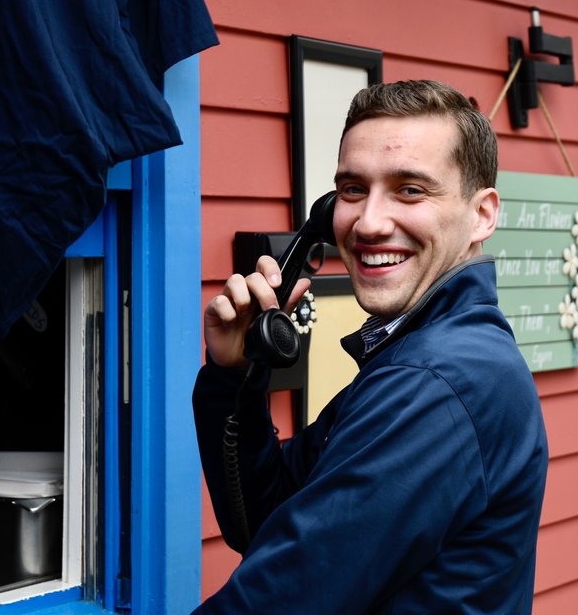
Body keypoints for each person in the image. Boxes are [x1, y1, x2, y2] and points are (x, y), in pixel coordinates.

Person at [193, 80, 549, 613]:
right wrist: (236, 375)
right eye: (353, 189)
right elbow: (264, 520)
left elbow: (283, 596)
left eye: (410, 190)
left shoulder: (436, 383)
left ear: (482, 215)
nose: (368, 222)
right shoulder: (417, 353)